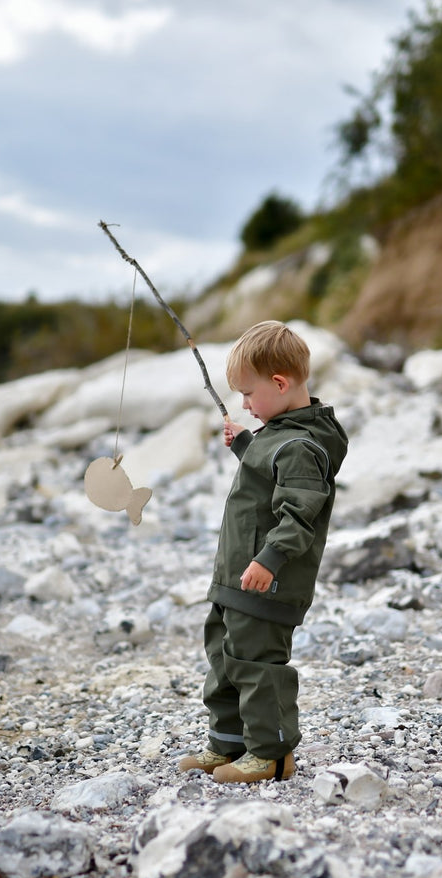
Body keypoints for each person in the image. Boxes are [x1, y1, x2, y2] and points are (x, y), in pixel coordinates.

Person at [179, 321, 349, 783]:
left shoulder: (301, 446)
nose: (245, 404)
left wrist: (269, 560)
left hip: (267, 580)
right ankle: (229, 743)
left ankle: (271, 754)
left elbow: (300, 514)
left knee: (256, 664)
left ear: (279, 383)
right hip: (237, 575)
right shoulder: (279, 433)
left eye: (249, 394)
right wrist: (245, 445)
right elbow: (268, 472)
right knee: (225, 657)